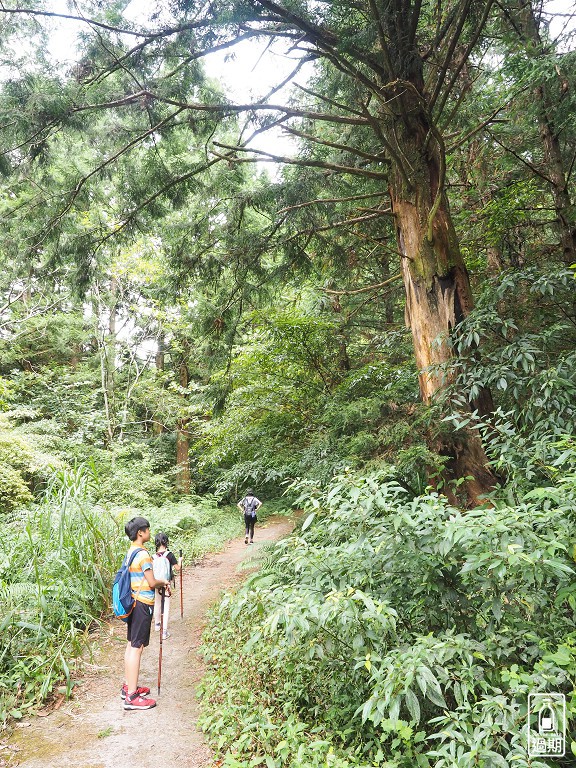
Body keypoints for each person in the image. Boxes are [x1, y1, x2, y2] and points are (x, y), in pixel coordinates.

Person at [121, 516, 170, 711]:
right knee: (137, 647)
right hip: (142, 604)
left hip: (133, 602)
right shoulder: (143, 555)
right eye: (147, 530)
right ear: (140, 533)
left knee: (131, 644)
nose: (150, 533)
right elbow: (151, 581)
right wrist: (164, 582)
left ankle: (128, 687)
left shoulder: (131, 552)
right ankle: (132, 697)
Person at [153, 532, 183, 640]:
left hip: (156, 583)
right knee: (166, 606)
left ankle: (157, 625)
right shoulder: (169, 555)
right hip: (166, 583)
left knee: (157, 603)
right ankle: (164, 631)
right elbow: (177, 568)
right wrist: (180, 561)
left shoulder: (153, 557)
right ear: (166, 542)